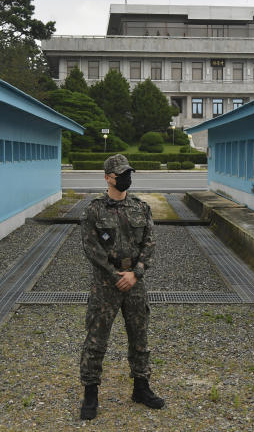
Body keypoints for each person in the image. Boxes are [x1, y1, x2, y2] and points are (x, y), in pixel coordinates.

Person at [78, 154, 165, 420]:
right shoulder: (94, 210)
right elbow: (91, 249)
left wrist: (136, 273)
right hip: (106, 283)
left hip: (135, 282)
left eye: (128, 173)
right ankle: (90, 393)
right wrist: (116, 275)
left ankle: (141, 387)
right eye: (120, 174)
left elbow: (149, 243)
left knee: (140, 337)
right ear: (108, 177)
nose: (126, 178)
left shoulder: (140, 207)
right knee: (96, 339)